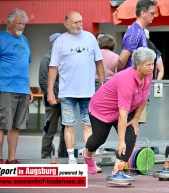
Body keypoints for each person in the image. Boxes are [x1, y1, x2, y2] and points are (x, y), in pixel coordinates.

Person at [83, 47, 155, 184]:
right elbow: (122, 116)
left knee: (130, 135)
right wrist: (120, 141)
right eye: (148, 65)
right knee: (99, 139)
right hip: (102, 109)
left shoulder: (148, 75)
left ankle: (117, 172)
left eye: (152, 64)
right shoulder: (126, 80)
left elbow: (145, 96)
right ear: (138, 66)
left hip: (123, 109)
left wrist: (135, 119)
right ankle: (87, 155)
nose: (152, 67)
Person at [47, 11, 105, 167]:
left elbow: (99, 62)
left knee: (88, 125)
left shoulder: (90, 37)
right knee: (69, 124)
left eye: (81, 21)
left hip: (88, 91)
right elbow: (53, 67)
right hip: (67, 91)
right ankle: (72, 158)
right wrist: (50, 91)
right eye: (75, 22)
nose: (79, 25)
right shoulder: (60, 41)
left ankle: (88, 158)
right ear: (66, 24)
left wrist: (102, 83)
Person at [0, 9, 33, 165]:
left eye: (23, 24)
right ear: (10, 23)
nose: (21, 26)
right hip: (6, 88)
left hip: (22, 89)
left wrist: (28, 88)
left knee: (16, 126)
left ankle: (11, 159)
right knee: (1, 125)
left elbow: (24, 67)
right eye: (18, 23)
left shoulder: (25, 40)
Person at [39, 33, 67, 158]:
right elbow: (43, 80)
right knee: (50, 127)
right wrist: (52, 95)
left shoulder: (67, 57)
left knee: (67, 127)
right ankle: (46, 153)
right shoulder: (47, 58)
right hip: (53, 99)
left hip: (66, 98)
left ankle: (64, 154)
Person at [117, 0, 157, 71]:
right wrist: (120, 77)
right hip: (131, 78)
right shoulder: (135, 32)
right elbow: (122, 60)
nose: (154, 15)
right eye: (152, 13)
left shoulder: (140, 30)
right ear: (143, 13)